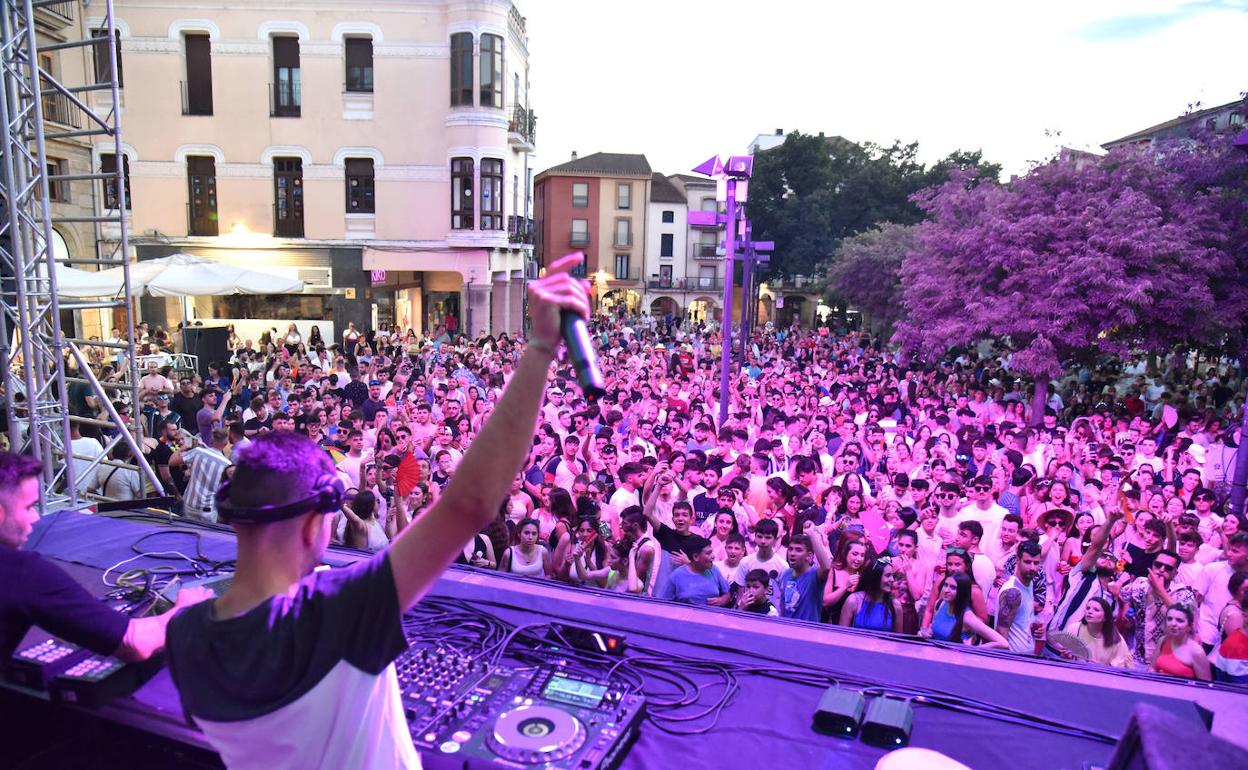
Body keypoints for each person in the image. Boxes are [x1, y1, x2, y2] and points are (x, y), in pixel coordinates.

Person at [164, 251, 591, 769]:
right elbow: (471, 502)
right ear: (313, 523)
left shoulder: (184, 637)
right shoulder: (338, 612)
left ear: (234, 516)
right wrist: (542, 346)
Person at [0, 452, 210, 662]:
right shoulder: (23, 572)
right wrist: (185, 608)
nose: (36, 517)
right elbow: (135, 643)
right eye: (28, 507)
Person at [920, 572, 1008, 648]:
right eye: (945, 585)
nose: (946, 590)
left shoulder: (967, 616)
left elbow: (1003, 643)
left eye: (953, 587)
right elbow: (939, 631)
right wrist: (926, 632)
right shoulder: (940, 604)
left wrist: (975, 649)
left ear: (962, 592)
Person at [994, 540, 1044, 655]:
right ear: (1017, 560)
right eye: (1027, 562)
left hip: (1025, 655)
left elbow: (1021, 620)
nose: (1032, 568)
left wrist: (1034, 628)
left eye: (1036, 563)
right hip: (1014, 658)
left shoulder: (1029, 583)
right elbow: (1001, 631)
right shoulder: (1013, 592)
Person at [777, 521, 833, 622]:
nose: (792, 553)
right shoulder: (786, 574)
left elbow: (827, 566)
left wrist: (811, 534)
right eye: (790, 549)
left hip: (807, 633)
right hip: (786, 631)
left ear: (809, 556)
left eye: (798, 550)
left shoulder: (815, 574)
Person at [658, 536, 732, 606]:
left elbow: (727, 595)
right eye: (708, 553)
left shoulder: (714, 570)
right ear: (696, 557)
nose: (713, 556)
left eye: (712, 552)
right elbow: (662, 604)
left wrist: (722, 600)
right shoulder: (676, 576)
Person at [839, 558, 903, 632]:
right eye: (888, 575)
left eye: (892, 575)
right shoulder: (853, 601)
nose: (892, 580)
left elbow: (898, 639)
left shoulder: (895, 605)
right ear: (875, 577)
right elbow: (842, 634)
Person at [1151, 604, 1212, 681]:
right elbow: (1152, 668)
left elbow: (1205, 686)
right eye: (1169, 619)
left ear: (1190, 626)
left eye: (1179, 620)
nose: (1173, 624)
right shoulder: (1163, 640)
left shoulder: (1197, 652)